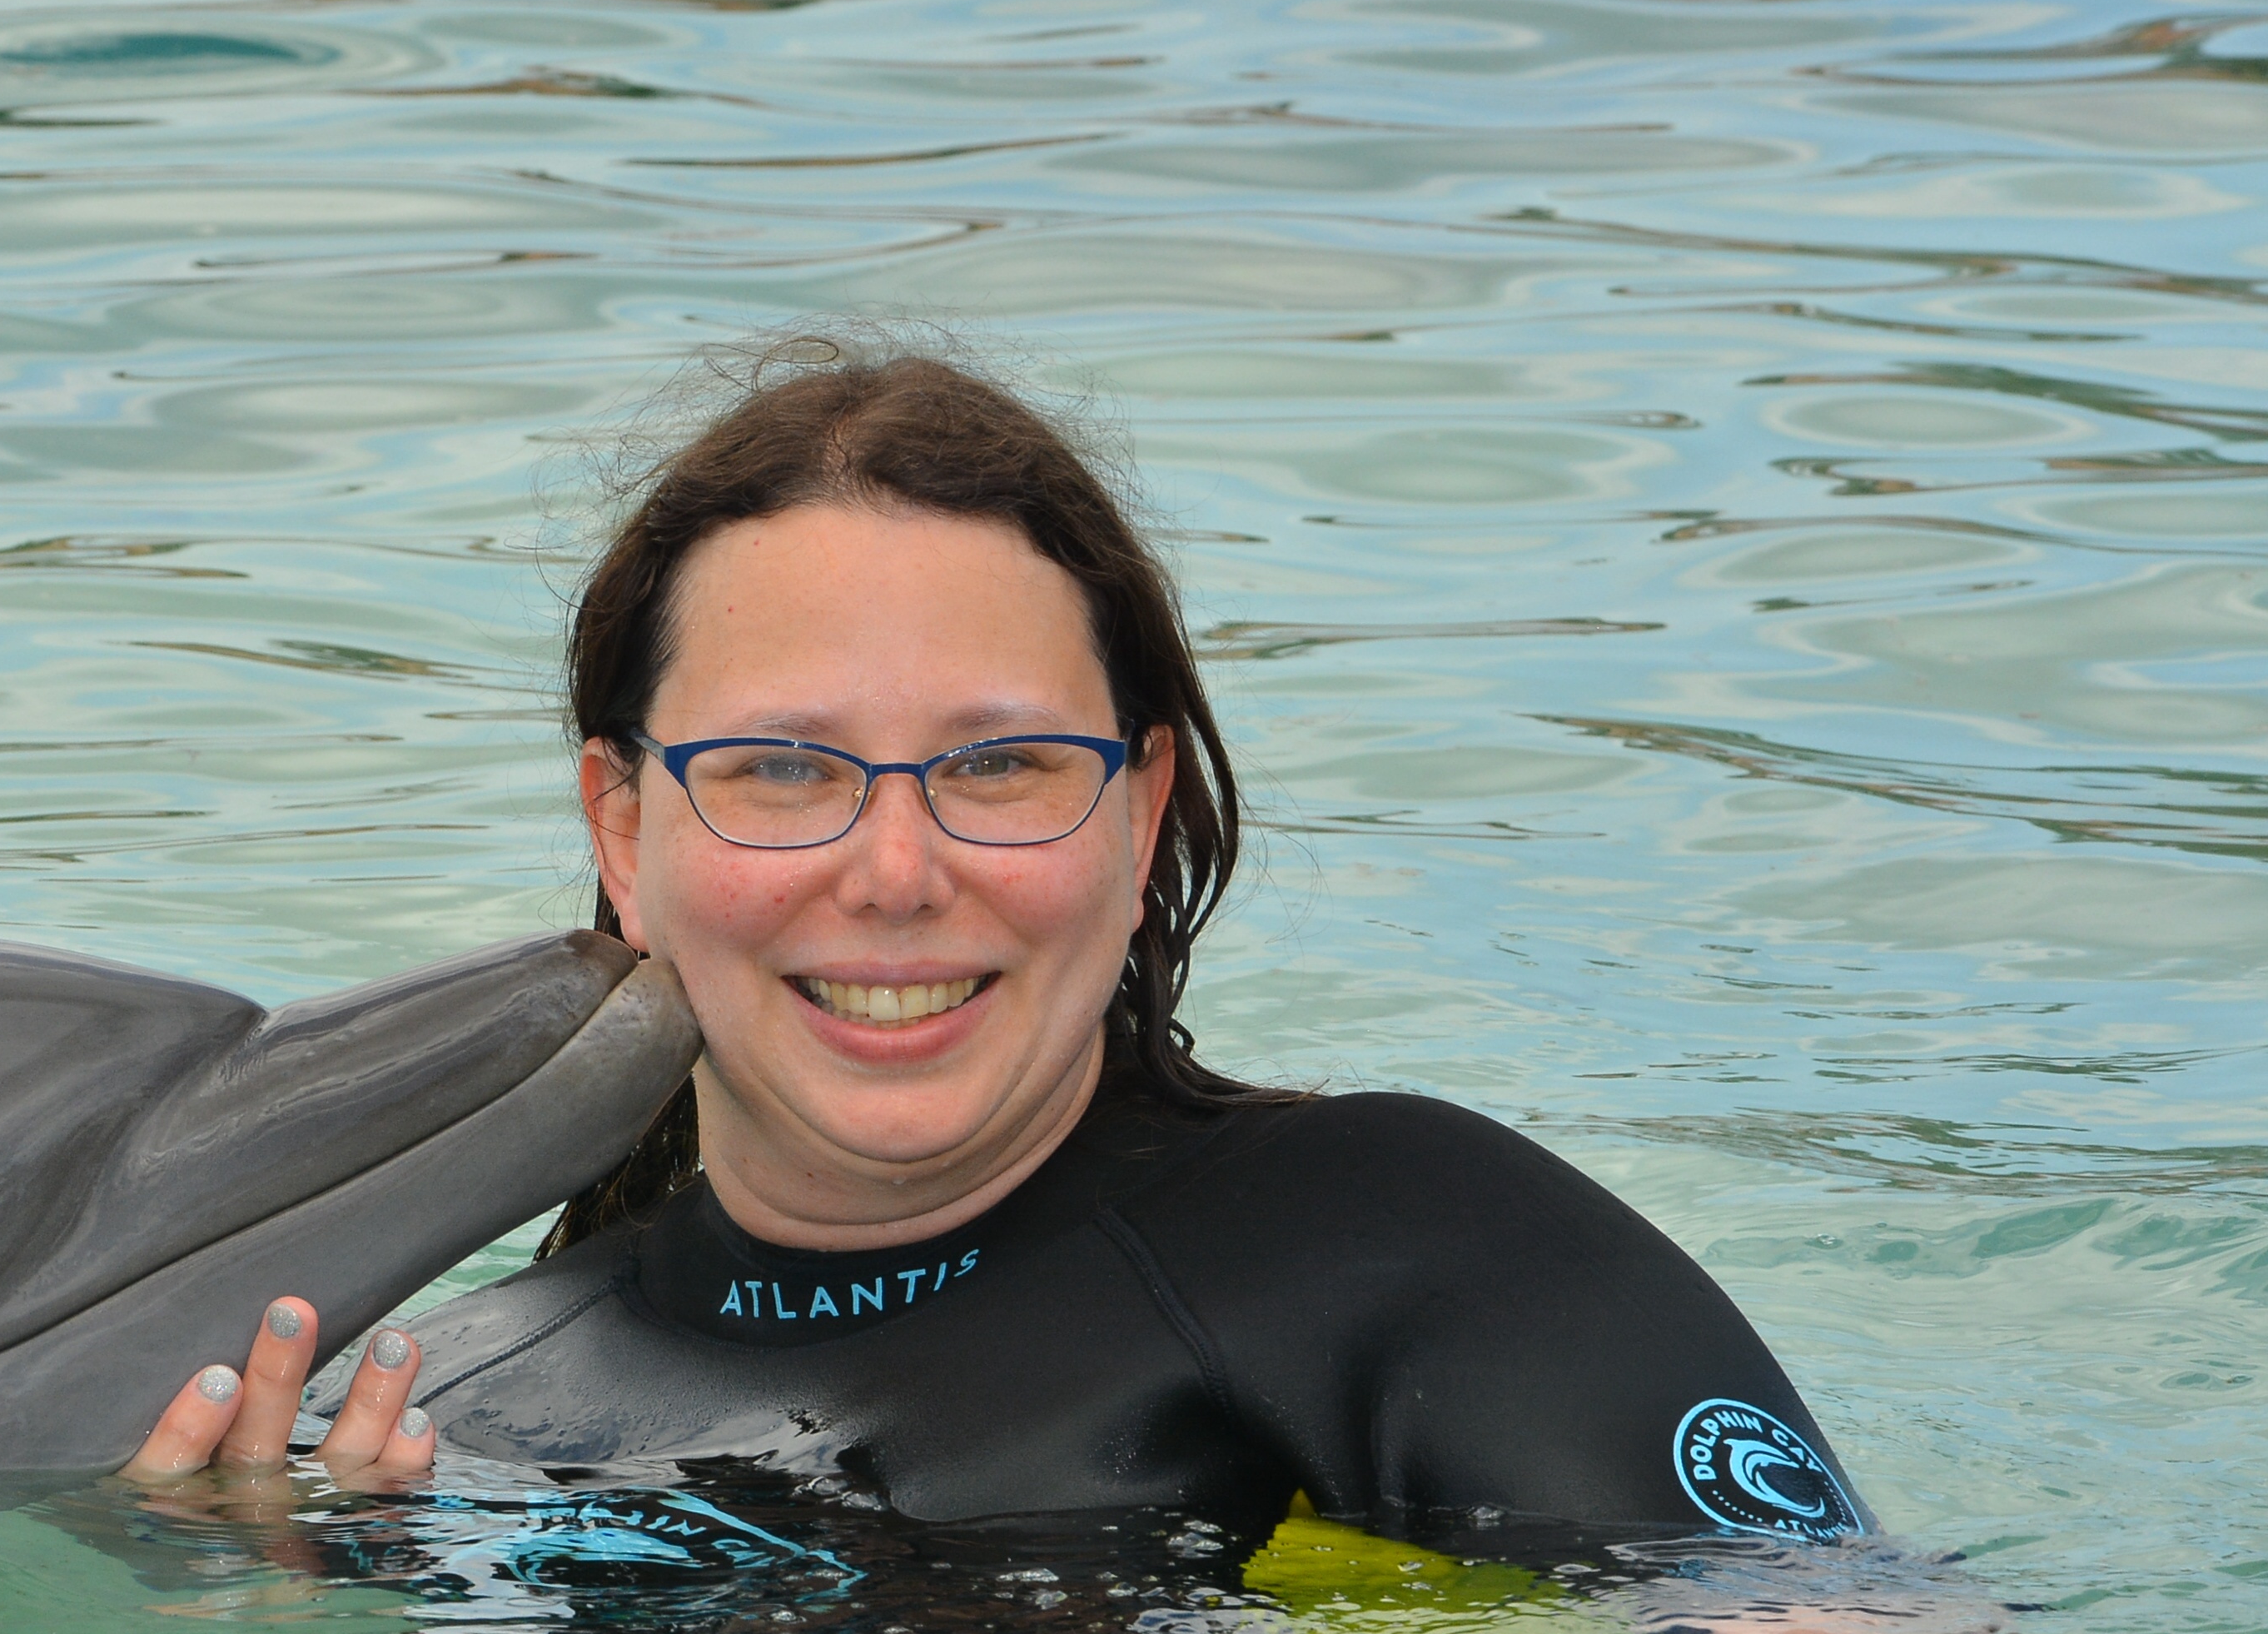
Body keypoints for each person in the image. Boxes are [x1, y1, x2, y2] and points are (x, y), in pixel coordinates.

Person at [123, 338, 1863, 1562]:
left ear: (1139, 814)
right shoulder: (445, 1408)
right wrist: (285, 1631)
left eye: (1002, 766)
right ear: (623, 833)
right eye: (781, 770)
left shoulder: (1396, 1245)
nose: (896, 872)